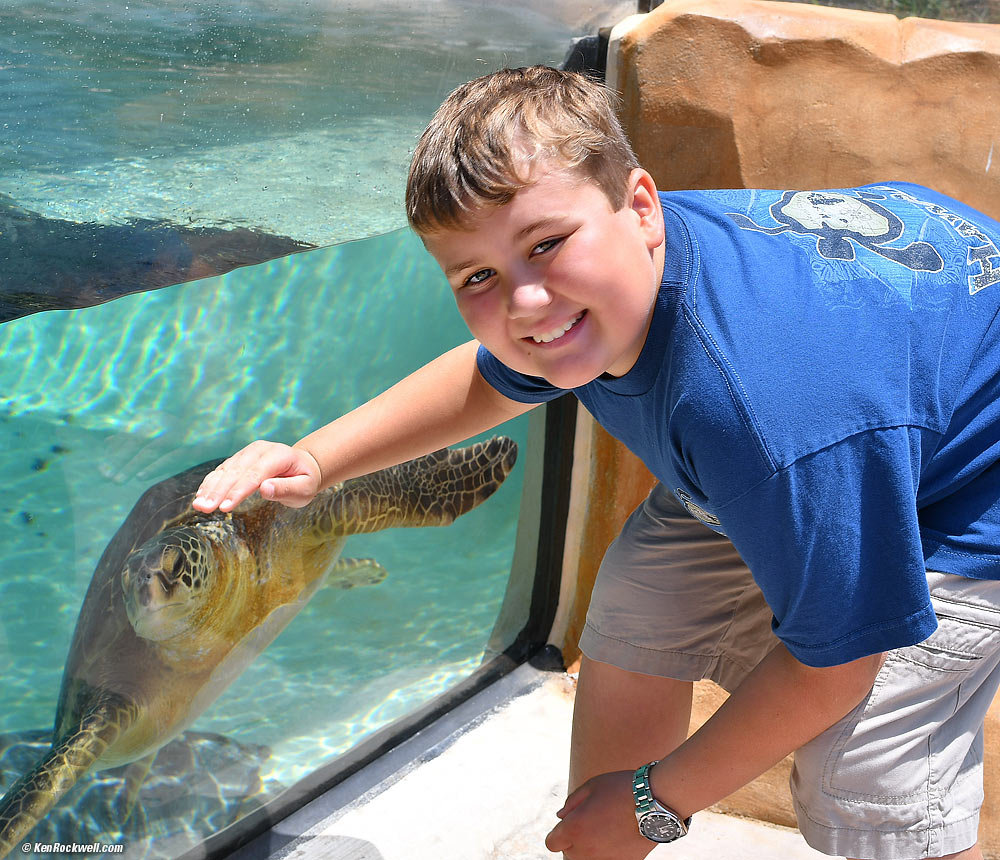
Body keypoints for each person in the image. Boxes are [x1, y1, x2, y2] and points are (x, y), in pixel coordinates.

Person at [191, 66, 1000, 860]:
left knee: (863, 762)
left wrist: (655, 803)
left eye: (546, 245)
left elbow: (837, 665)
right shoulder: (608, 290)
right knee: (644, 593)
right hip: (856, 401)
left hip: (964, 488)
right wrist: (317, 457)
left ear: (641, 206)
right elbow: (488, 379)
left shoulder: (766, 409)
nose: (524, 304)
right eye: (479, 275)